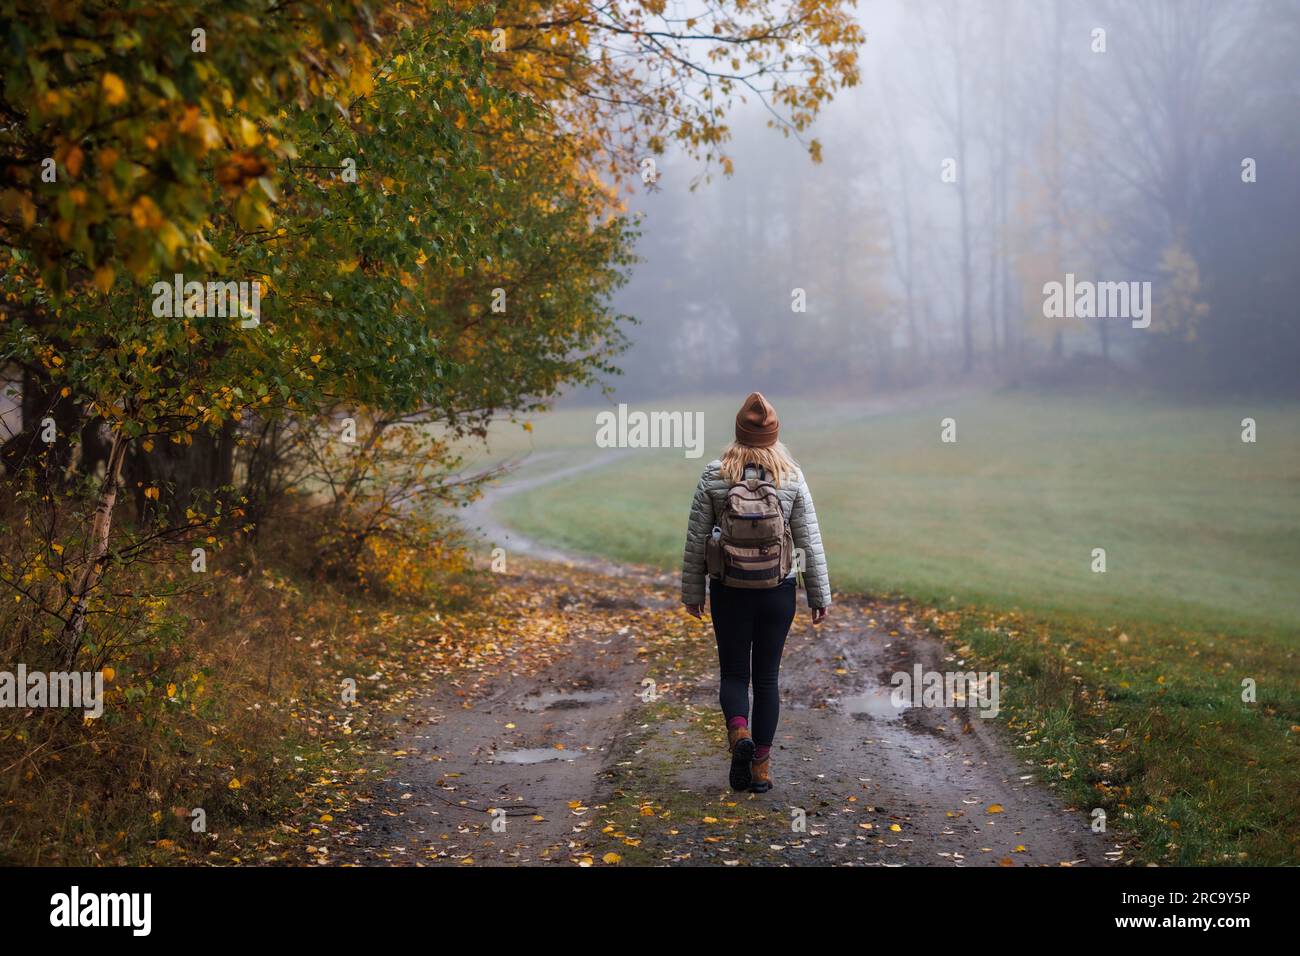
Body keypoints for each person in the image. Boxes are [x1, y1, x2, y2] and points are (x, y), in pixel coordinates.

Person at [681, 392, 831, 792]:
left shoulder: (715, 475)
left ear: (738, 432)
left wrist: (692, 592)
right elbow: (807, 542)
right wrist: (819, 597)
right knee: (767, 680)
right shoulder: (791, 476)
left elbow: (697, 539)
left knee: (733, 673)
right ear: (774, 435)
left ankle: (739, 733)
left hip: (728, 589)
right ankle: (761, 768)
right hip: (776, 590)